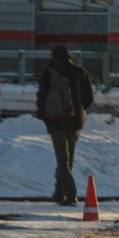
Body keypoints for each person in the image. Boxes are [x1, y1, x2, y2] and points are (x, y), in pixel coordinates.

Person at [36, 45, 94, 205]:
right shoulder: (80, 72)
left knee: (62, 160)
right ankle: (59, 192)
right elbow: (88, 99)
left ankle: (70, 195)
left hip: (55, 121)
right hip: (75, 122)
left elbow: (41, 97)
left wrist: (45, 116)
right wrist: (77, 109)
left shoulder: (49, 73)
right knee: (68, 160)